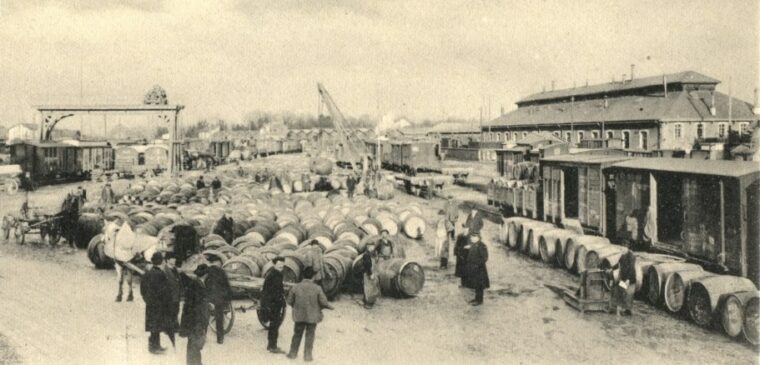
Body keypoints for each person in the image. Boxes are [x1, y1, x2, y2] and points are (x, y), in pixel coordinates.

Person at [286, 267, 334, 362]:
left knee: (297, 334)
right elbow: (323, 302)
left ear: (303, 276)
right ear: (313, 277)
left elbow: (289, 301)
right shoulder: (317, 288)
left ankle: (292, 354)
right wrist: (329, 307)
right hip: (312, 317)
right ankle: (307, 357)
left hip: (299, 316)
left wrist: (296, 307)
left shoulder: (296, 287)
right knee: (310, 336)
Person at [140, 252, 171, 354]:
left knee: (153, 325)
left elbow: (142, 288)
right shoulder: (161, 274)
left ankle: (155, 345)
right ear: (161, 262)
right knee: (157, 325)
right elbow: (165, 290)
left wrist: (146, 299)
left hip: (150, 304)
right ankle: (154, 347)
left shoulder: (147, 273)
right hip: (159, 304)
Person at [180, 265, 211, 365]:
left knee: (192, 345)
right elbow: (200, 308)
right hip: (196, 322)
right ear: (206, 275)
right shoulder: (200, 287)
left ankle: (193, 363)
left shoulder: (194, 283)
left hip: (190, 320)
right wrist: (204, 323)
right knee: (196, 345)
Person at [261, 256, 287, 354]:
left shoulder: (277, 274)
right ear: (274, 264)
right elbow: (270, 291)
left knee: (274, 325)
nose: (281, 266)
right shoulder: (273, 275)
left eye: (282, 265)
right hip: (273, 303)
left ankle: (270, 345)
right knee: (275, 325)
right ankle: (273, 346)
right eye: (279, 264)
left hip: (275, 302)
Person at [204, 261, 232, 344]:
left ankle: (203, 336)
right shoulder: (222, 272)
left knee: (206, 317)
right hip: (219, 298)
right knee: (219, 319)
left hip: (209, 298)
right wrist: (228, 298)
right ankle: (220, 338)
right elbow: (227, 285)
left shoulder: (206, 271)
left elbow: (203, 284)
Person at [163, 252, 183, 348]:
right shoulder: (165, 270)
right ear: (168, 260)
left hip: (176, 295)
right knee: (168, 311)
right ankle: (168, 328)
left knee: (176, 310)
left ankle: (175, 326)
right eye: (172, 258)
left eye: (174, 258)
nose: (174, 260)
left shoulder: (174, 269)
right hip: (168, 296)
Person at [609, 249, 636, 316]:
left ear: (627, 248)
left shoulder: (631, 256)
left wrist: (628, 279)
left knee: (628, 293)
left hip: (630, 278)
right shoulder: (623, 255)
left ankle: (627, 310)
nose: (621, 250)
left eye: (623, 249)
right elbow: (618, 264)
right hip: (624, 278)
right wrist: (611, 268)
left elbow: (631, 268)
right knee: (623, 291)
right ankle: (623, 309)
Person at [464, 233, 489, 306]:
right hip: (474, 269)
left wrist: (476, 265)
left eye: (472, 237)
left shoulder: (481, 246)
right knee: (476, 284)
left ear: (477, 237)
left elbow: (485, 258)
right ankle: (476, 298)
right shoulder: (474, 244)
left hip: (479, 270)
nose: (471, 239)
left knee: (479, 286)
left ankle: (479, 300)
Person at [361, 241, 381, 309]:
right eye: (371, 246)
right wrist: (370, 274)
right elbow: (367, 266)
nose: (372, 248)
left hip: (372, 272)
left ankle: (366, 300)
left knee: (372, 287)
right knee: (368, 288)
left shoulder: (371, 254)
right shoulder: (366, 255)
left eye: (373, 246)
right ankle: (368, 303)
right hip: (368, 273)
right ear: (368, 247)